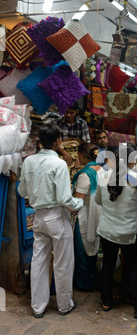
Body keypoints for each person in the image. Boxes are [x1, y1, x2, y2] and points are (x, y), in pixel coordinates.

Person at [18, 123, 84, 318]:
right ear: (57, 142)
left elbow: (22, 191)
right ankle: (64, 305)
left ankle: (37, 307)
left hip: (38, 217)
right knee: (63, 262)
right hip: (56, 216)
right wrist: (79, 202)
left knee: (39, 260)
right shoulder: (59, 164)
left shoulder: (29, 161)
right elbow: (65, 199)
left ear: (40, 142)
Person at [95, 144, 137, 318]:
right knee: (134, 269)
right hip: (129, 233)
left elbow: (98, 202)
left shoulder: (102, 176)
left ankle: (106, 301)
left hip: (107, 231)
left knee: (107, 264)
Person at [72, 143, 103, 291]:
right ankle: (92, 278)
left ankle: (84, 283)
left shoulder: (85, 175)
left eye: (78, 154)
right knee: (93, 247)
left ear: (83, 155)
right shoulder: (101, 170)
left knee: (82, 249)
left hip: (85, 216)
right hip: (99, 215)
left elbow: (78, 200)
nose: (77, 157)